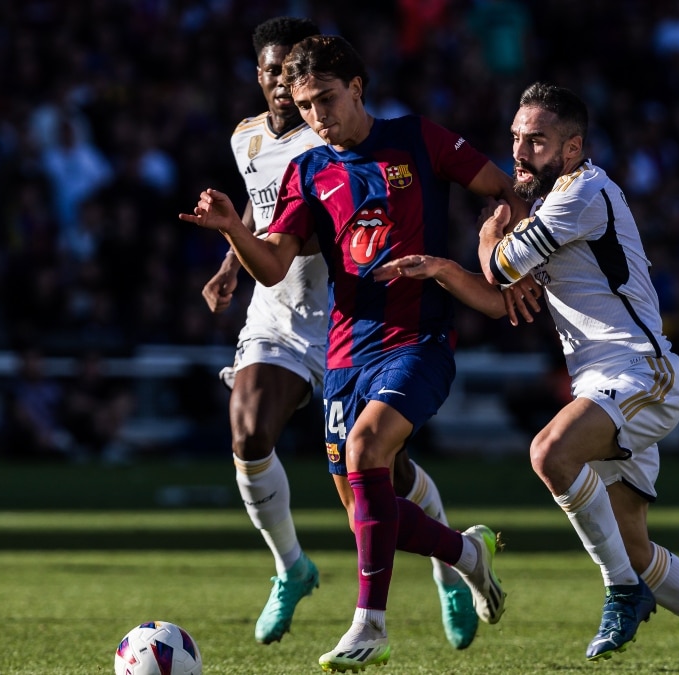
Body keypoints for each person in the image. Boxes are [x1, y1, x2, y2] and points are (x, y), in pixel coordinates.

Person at [180, 34, 526, 672]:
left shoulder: (418, 138)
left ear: (357, 89)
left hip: (417, 339)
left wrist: (498, 251)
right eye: (307, 106)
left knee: (367, 456)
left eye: (327, 101)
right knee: (366, 503)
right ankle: (466, 554)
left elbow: (504, 189)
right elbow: (275, 262)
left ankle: (370, 624)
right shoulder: (309, 169)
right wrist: (233, 230)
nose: (317, 117)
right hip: (345, 349)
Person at [475, 81, 679, 674]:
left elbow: (502, 268)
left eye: (536, 140)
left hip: (640, 373)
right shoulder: (555, 195)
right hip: (602, 383)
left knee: (550, 453)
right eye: (516, 138)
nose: (521, 151)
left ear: (573, 146)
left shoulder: (583, 192)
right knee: (636, 545)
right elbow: (505, 279)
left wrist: (488, 240)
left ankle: (621, 592)